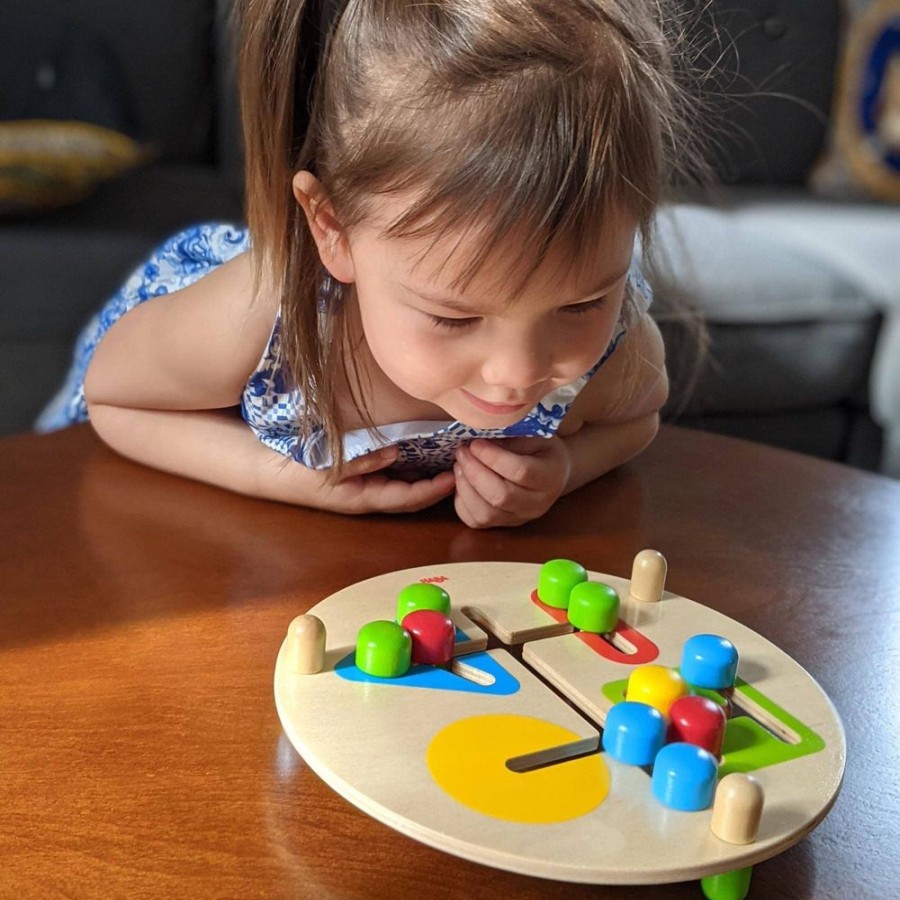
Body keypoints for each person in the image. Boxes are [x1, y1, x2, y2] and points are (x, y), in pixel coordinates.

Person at [38, 0, 696, 528]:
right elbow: (116, 401)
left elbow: (639, 416)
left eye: (581, 303)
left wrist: (564, 470)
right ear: (333, 231)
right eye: (452, 317)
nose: (520, 372)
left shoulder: (609, 343)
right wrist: (288, 481)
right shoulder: (260, 311)